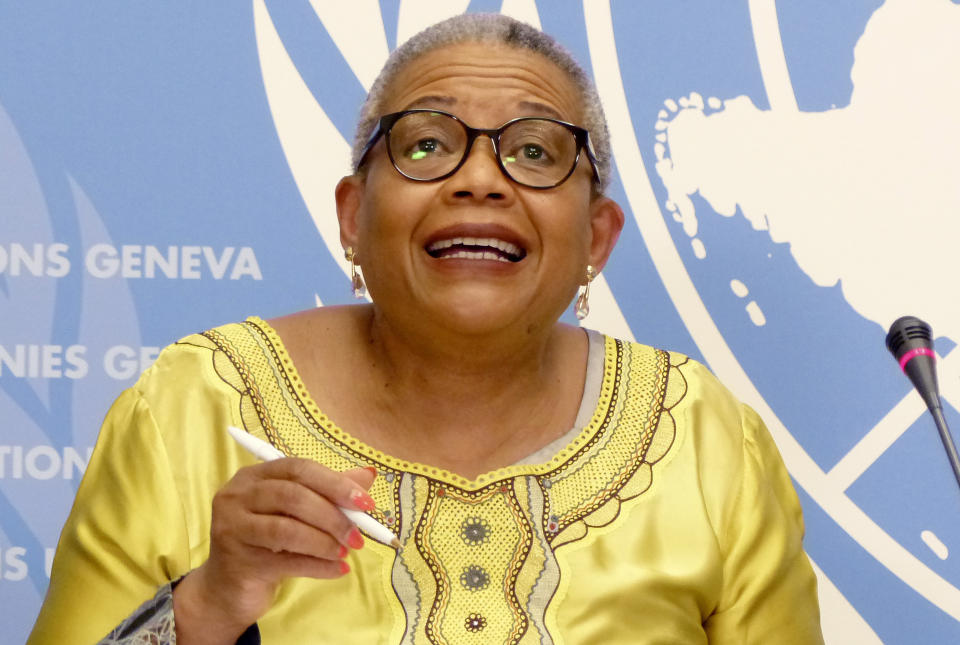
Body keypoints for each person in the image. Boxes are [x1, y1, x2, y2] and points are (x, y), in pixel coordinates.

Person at [28, 13, 823, 645]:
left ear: (598, 237)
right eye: (427, 145)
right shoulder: (197, 405)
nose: (479, 180)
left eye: (536, 152)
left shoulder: (700, 432)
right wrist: (208, 604)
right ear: (352, 215)